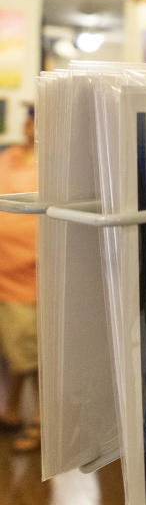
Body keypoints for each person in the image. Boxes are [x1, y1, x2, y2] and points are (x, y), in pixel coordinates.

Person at [0, 105, 39, 452]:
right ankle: (10, 410)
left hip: (35, 277)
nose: (30, 125)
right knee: (14, 350)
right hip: (4, 273)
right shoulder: (9, 157)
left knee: (36, 357)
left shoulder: (56, 165)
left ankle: (41, 423)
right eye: (28, 118)